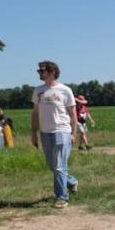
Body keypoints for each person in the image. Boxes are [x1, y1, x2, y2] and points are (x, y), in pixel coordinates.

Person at [31, 61, 80, 208]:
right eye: (39, 71)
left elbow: (72, 113)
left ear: (52, 72)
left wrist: (74, 132)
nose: (40, 73)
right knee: (53, 166)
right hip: (45, 133)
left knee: (58, 166)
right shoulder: (38, 90)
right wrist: (34, 133)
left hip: (62, 131)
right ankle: (71, 181)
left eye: (42, 71)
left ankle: (61, 197)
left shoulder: (65, 90)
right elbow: (35, 113)